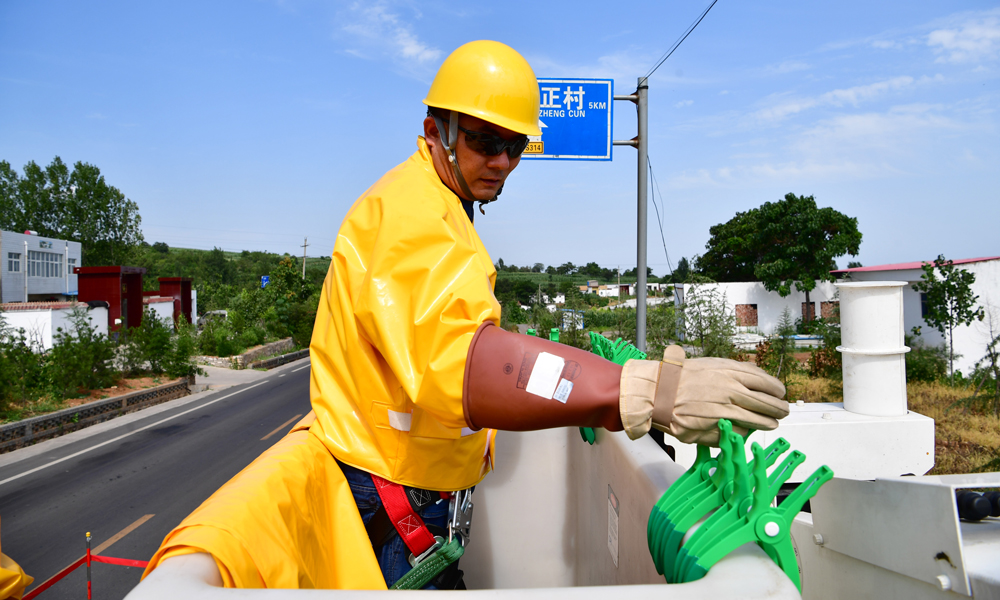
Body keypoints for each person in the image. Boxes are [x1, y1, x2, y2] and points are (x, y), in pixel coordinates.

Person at [142, 40, 788, 590]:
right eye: (485, 142)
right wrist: (640, 390)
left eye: (514, 146)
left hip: (406, 500)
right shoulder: (410, 217)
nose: (502, 162)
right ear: (436, 131)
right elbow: (463, 365)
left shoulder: (439, 206)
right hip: (391, 506)